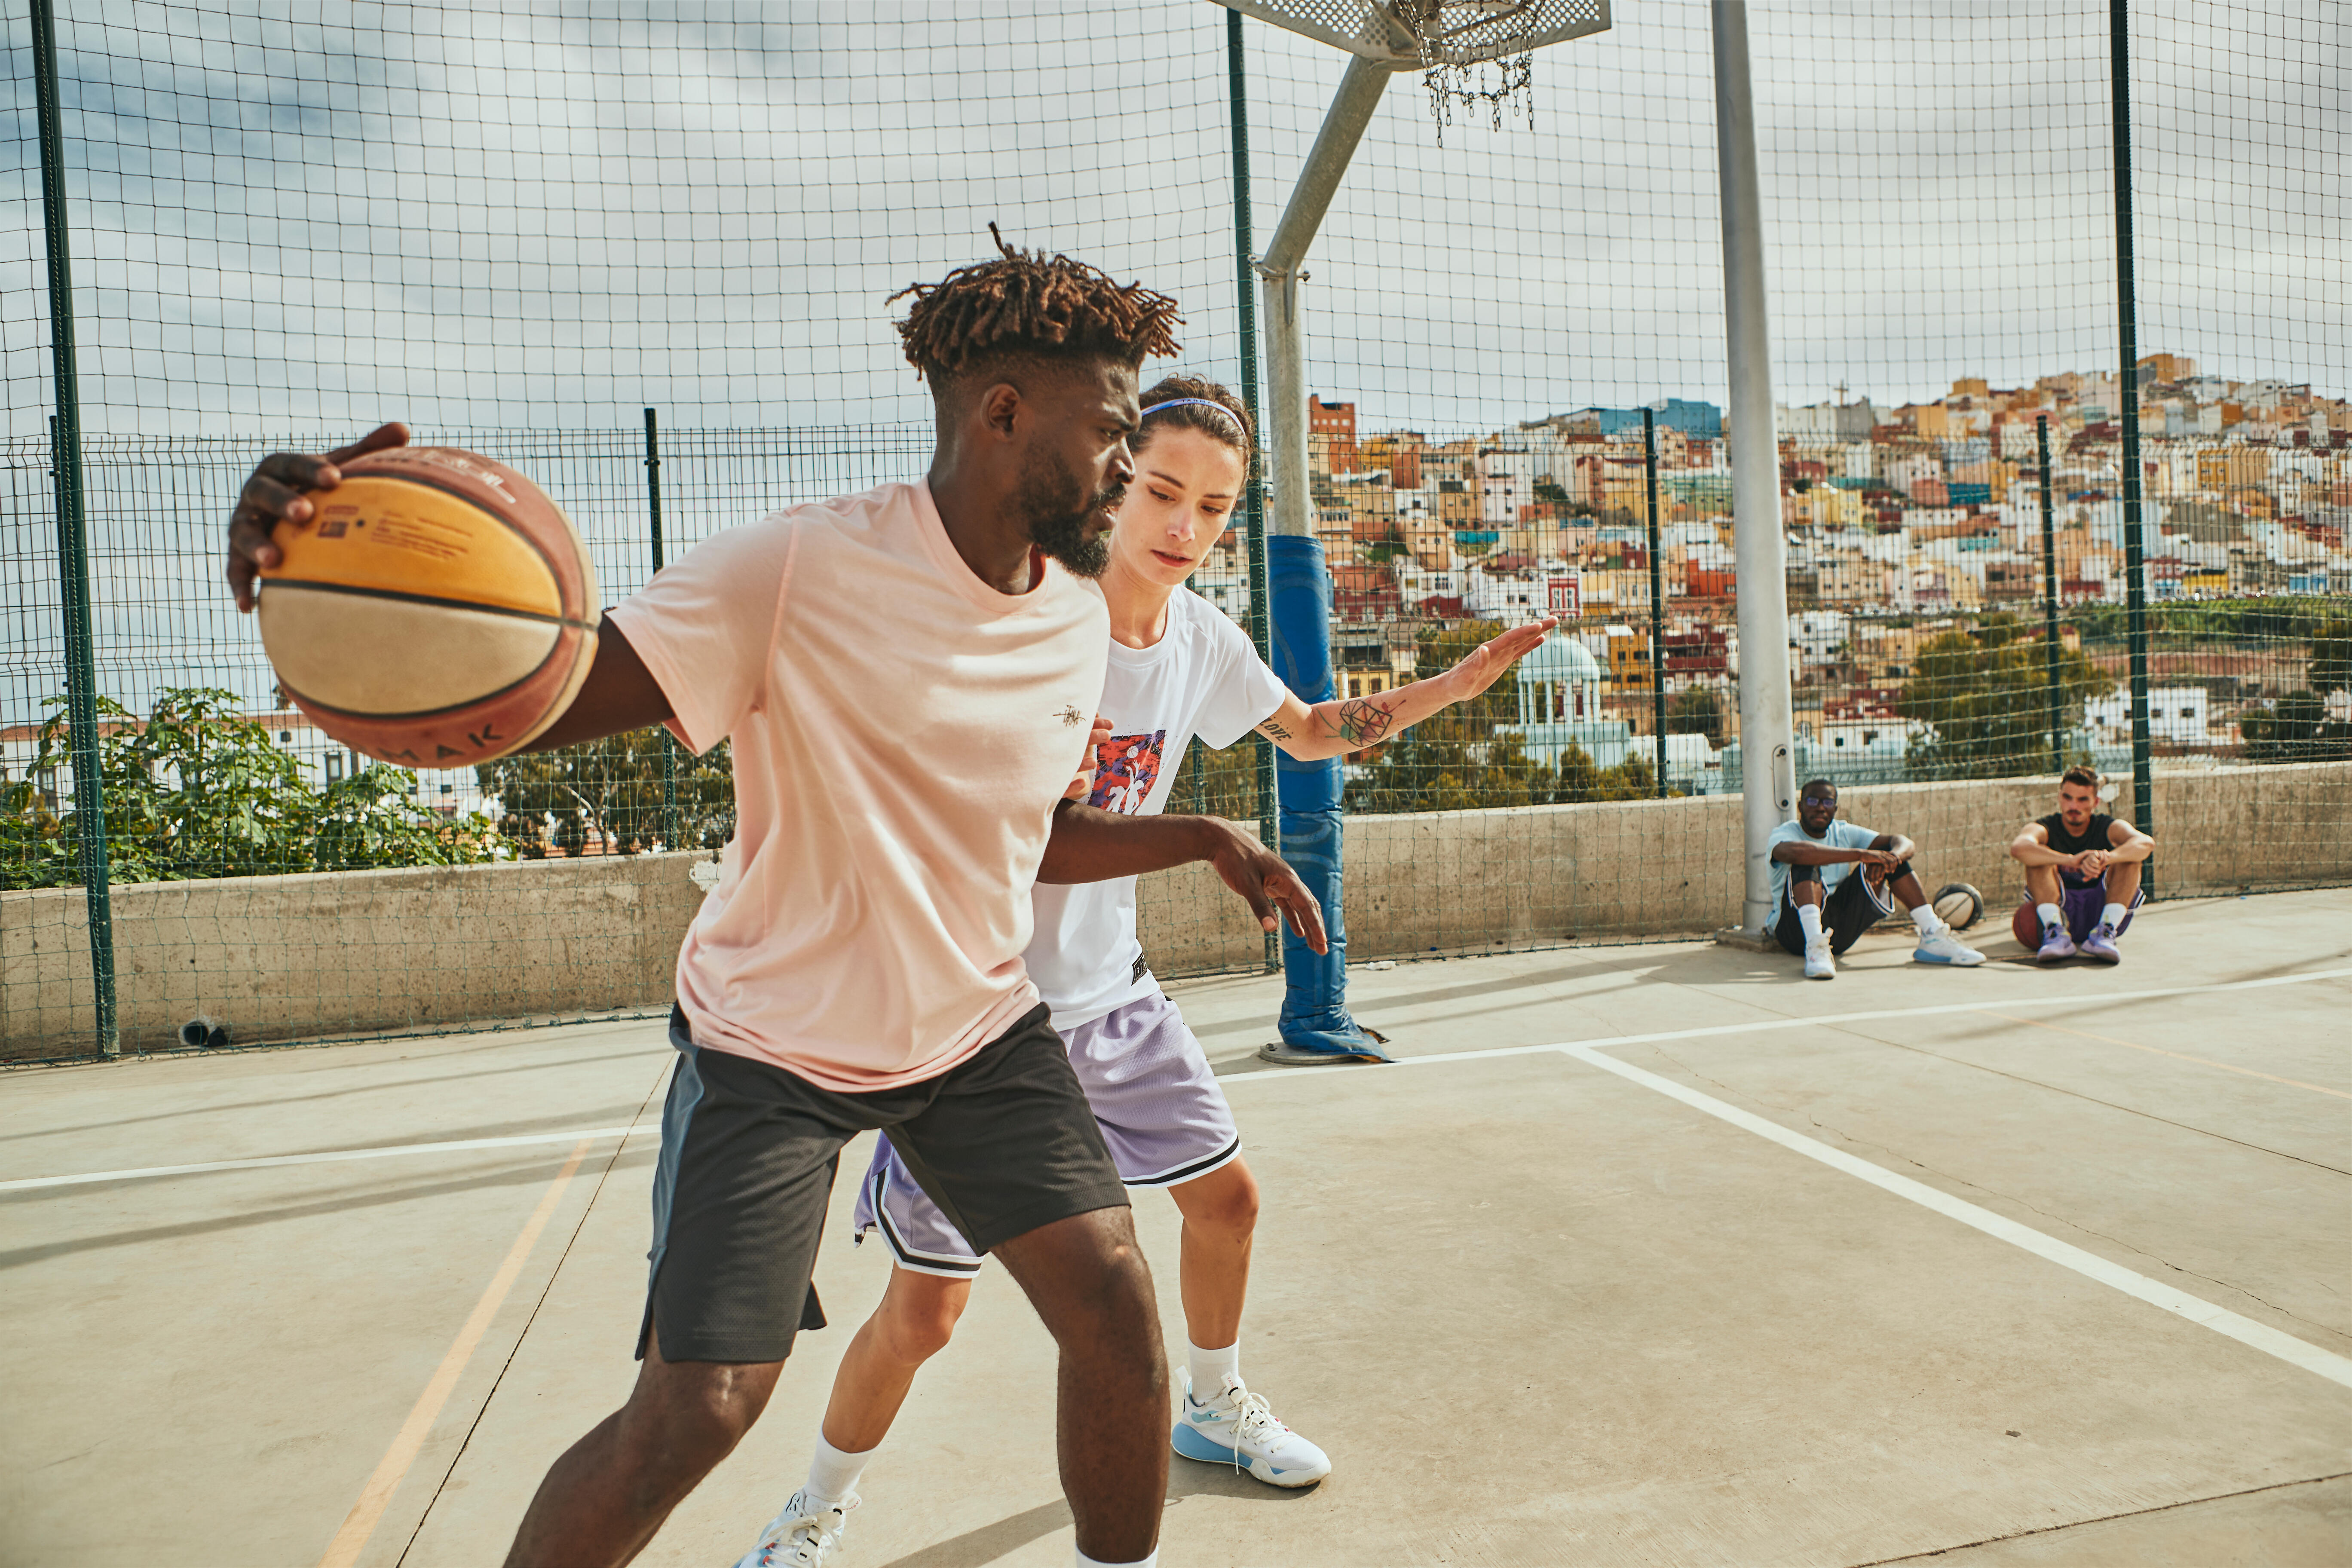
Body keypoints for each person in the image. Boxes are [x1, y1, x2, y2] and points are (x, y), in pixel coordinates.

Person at [222, 236, 1329, 1568]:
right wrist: (332, 575)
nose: (1123, 465)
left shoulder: (1073, 615)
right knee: (698, 1413)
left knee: (1115, 1307)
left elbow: (1029, 836)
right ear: (1002, 414)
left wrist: (1202, 834)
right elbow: (544, 688)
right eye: (1108, 429)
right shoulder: (800, 566)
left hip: (975, 1030)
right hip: (771, 1049)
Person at [734, 376, 1556, 1567]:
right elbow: (1041, 829)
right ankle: (814, 1507)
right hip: (972, 1020)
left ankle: (1212, 1408)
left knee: (1226, 1200)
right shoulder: (1030, 624)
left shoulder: (1200, 640)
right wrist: (1212, 840)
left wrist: (1453, 687)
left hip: (1109, 999)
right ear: (1114, 484)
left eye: (1216, 509)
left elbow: (1313, 730)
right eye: (1164, 492)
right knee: (927, 1313)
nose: (1185, 525)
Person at [1766, 777, 1986, 980]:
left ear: (1835, 807)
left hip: (1838, 934)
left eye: (1827, 802)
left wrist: (1891, 859)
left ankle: (1932, 937)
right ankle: (1815, 948)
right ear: (1801, 806)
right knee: (1807, 860)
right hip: (1794, 933)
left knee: (1890, 859)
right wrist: (1861, 854)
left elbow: (1903, 842)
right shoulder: (1785, 833)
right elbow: (1797, 853)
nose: (1820, 807)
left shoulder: (1842, 831)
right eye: (1812, 801)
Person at [2007, 765, 2155, 964]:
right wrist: (2070, 860)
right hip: (2061, 909)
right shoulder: (2045, 827)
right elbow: (2019, 848)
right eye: (2068, 798)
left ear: (2096, 802)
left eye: (2082, 800)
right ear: (2060, 797)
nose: (2073, 806)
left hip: (2101, 909)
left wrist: (2107, 858)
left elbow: (2146, 843)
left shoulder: (2107, 826)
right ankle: (2055, 933)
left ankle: (2104, 932)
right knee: (2038, 857)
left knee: (2130, 859)